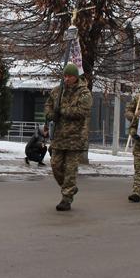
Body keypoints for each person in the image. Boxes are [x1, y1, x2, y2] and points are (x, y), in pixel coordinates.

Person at [43, 63, 92, 211]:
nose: (67, 79)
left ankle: (66, 198)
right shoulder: (58, 91)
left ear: (76, 77)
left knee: (70, 170)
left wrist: (62, 110)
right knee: (55, 166)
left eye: (70, 76)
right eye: (65, 76)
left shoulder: (84, 93)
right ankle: (69, 187)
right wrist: (52, 114)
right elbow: (48, 106)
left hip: (75, 137)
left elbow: (82, 111)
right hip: (59, 136)